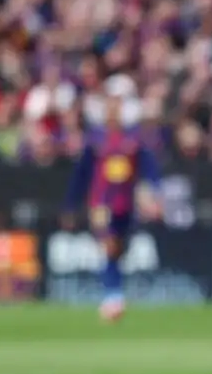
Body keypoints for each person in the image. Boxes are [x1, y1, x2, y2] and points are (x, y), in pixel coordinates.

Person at [62, 89, 162, 321]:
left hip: (125, 204)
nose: (113, 112)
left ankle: (114, 292)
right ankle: (112, 298)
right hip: (101, 204)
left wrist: (154, 194)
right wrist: (70, 205)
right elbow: (81, 175)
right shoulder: (96, 140)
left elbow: (149, 168)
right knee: (107, 245)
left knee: (118, 249)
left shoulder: (133, 141)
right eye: (110, 107)